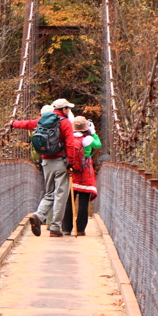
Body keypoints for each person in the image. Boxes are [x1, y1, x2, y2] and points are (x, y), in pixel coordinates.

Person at [9, 98, 82, 237]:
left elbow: (28, 124)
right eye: (68, 108)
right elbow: (70, 144)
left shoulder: (43, 120)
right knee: (61, 195)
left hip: (46, 162)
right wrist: (71, 163)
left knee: (49, 193)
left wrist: (13, 124)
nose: (69, 111)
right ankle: (55, 228)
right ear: (64, 109)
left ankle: (39, 215)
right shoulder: (65, 122)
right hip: (61, 162)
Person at [63, 117, 99, 236]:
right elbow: (98, 145)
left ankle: (66, 228)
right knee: (83, 202)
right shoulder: (88, 139)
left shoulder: (69, 138)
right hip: (85, 172)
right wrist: (93, 133)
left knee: (69, 201)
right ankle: (80, 229)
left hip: (71, 171)